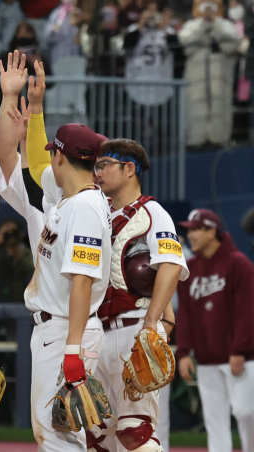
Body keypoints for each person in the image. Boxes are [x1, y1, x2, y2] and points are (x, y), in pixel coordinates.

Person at [0, 51, 111, 450]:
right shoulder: (68, 194)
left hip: (66, 329)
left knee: (60, 438)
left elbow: (82, 280)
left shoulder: (84, 207)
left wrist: (74, 350)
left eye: (52, 153)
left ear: (62, 156)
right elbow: (32, 164)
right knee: (59, 435)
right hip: (59, 328)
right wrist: (37, 107)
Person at [89, 139, 188, 451]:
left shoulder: (153, 213)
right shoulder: (94, 210)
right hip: (96, 333)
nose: (97, 172)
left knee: (135, 433)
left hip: (133, 328)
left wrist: (151, 322)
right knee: (97, 438)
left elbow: (171, 267)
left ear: (128, 168)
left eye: (105, 164)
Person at [176, 208, 254, 452]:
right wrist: (184, 352)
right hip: (206, 359)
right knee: (214, 420)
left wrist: (239, 350)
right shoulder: (189, 269)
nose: (190, 236)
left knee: (245, 412)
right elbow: (185, 315)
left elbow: (247, 312)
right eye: (188, 231)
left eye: (195, 230)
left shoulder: (239, 264)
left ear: (211, 231)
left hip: (240, 357)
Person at [178, 0, 241, 148]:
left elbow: (234, 41)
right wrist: (202, 29)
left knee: (220, 105)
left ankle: (219, 138)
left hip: (219, 74)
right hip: (196, 75)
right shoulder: (192, 25)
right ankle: (196, 140)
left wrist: (216, 26)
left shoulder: (224, 24)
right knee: (196, 107)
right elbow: (184, 41)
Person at [45, 0, 81, 67]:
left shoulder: (78, 14)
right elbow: (48, 35)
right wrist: (53, 30)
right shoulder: (56, 14)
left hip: (75, 51)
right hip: (59, 52)